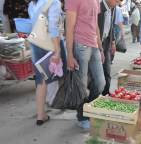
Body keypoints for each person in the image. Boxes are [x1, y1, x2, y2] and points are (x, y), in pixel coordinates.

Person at [65, 0, 106, 130]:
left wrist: (100, 48)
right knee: (81, 85)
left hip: (94, 45)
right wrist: (70, 55)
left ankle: (88, 109)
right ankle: (82, 116)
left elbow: (96, 25)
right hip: (80, 45)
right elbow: (69, 27)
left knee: (101, 83)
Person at [28, 0, 65, 125]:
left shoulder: (32, 3)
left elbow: (33, 24)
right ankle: (62, 102)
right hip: (49, 43)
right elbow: (53, 28)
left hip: (35, 42)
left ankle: (40, 115)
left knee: (41, 79)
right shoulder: (53, 2)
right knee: (62, 72)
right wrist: (57, 51)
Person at [98, 0, 117, 96]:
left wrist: (113, 41)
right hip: (96, 42)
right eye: (116, 1)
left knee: (107, 69)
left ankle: (106, 93)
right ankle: (94, 96)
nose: (117, 4)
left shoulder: (113, 8)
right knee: (97, 71)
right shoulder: (99, 6)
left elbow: (111, 25)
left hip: (106, 42)